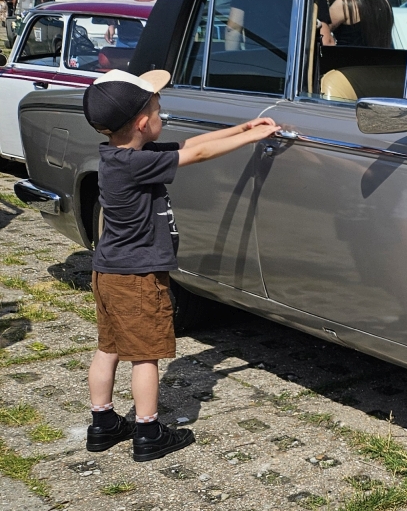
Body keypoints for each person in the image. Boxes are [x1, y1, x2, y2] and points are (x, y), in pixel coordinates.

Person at [81, 69, 278, 461]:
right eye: (159, 110)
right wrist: (254, 138)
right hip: (137, 276)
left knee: (108, 348)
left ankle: (102, 424)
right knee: (145, 355)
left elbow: (191, 143)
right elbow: (198, 154)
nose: (163, 116)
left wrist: (241, 128)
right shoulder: (137, 164)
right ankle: (148, 431)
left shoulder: (121, 157)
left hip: (108, 272)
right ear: (142, 123)